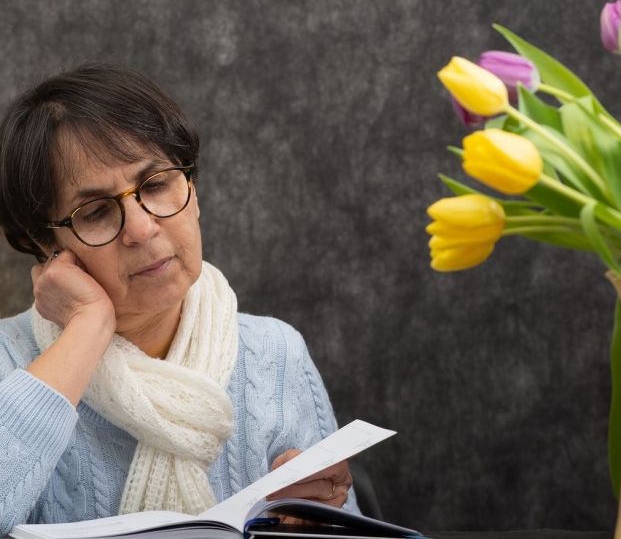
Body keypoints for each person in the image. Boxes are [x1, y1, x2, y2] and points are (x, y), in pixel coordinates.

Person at [0, 64, 355, 535]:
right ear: (47, 246)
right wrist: (87, 326)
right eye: (98, 212)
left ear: (193, 187)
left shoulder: (276, 353)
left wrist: (320, 518)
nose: (143, 228)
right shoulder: (9, 361)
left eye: (155, 185)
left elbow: (353, 528)